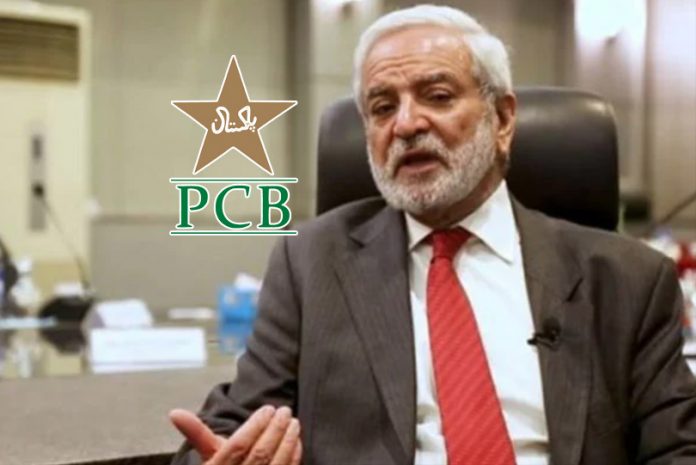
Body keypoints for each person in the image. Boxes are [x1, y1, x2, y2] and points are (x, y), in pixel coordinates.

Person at [170, 5, 696, 465]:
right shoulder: (312, 260)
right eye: (382, 108)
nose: (405, 124)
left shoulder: (628, 278)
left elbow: (679, 449)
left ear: (502, 119)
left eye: (437, 96)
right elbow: (234, 426)